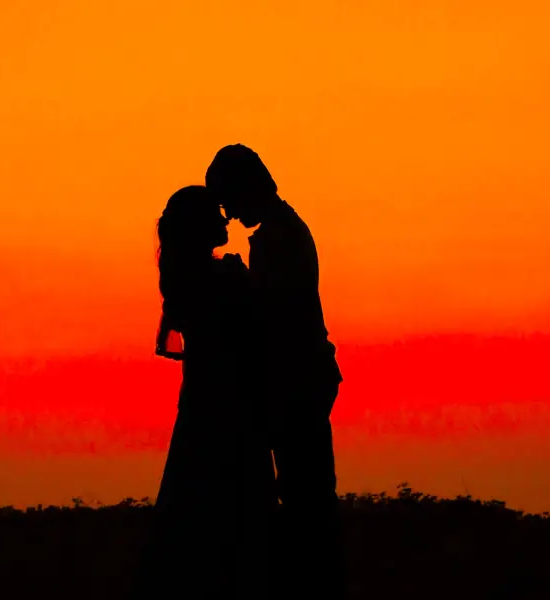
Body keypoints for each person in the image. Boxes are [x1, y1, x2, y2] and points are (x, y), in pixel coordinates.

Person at [206, 144, 345, 599]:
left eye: (228, 199)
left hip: (296, 383)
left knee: (306, 496)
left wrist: (237, 289)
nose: (227, 213)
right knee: (305, 493)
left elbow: (274, 318)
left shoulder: (278, 239)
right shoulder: (281, 232)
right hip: (300, 379)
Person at [131, 185, 277, 600]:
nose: (225, 218)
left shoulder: (190, 277)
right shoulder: (214, 280)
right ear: (197, 227)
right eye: (216, 212)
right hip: (226, 410)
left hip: (207, 404)